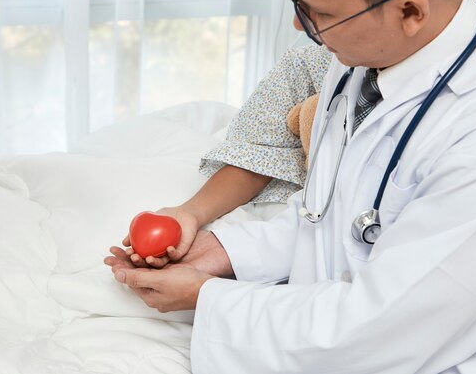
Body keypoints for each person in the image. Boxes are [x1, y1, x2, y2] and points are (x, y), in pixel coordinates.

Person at [107, 0, 476, 373]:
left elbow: (379, 329)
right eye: (296, 0)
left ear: (409, 11)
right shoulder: (375, 48)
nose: (301, 27)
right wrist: (226, 252)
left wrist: (205, 296)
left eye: (319, 13)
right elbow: (334, 210)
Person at [121, 44, 332, 268]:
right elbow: (255, 155)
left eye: (326, 13)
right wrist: (189, 213)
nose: (299, 25)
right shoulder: (306, 61)